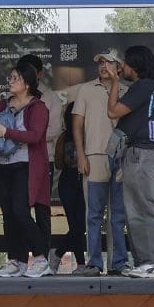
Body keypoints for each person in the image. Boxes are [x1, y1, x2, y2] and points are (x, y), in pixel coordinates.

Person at [0, 62, 52, 277]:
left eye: (15, 78)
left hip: (25, 165)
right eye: (10, 78)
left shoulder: (38, 107)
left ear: (27, 83)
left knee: (21, 212)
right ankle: (16, 261)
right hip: (1, 164)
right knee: (8, 214)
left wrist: (6, 133)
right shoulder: (1, 105)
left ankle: (41, 259)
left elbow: (34, 136)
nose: (10, 82)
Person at [106, 45, 154, 278]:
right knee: (136, 209)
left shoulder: (144, 86)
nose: (123, 68)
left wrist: (113, 83)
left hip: (143, 153)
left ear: (136, 66)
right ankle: (145, 263)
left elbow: (113, 111)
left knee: (142, 208)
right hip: (142, 153)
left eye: (126, 64)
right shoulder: (151, 87)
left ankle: (152, 263)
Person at [72, 48, 129, 276]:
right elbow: (77, 124)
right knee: (93, 214)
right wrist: (81, 155)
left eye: (108, 62)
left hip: (122, 159)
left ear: (119, 67)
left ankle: (119, 263)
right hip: (94, 156)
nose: (103, 66)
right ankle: (94, 263)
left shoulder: (128, 91)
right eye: (100, 62)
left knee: (118, 214)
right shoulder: (86, 89)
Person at [17, 53, 64, 269]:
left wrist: (26, 136)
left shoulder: (50, 98)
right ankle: (19, 259)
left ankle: (43, 257)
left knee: (42, 210)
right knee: (18, 210)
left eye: (29, 71)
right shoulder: (13, 98)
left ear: (39, 73)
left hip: (43, 159)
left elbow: (54, 130)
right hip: (16, 161)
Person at [55, 98, 86, 272]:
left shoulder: (89, 134)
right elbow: (59, 163)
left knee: (80, 225)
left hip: (85, 181)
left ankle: (58, 253)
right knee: (75, 226)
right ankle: (81, 264)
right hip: (68, 181)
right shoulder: (64, 137)